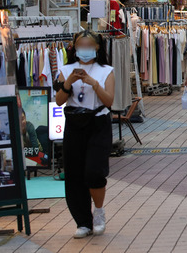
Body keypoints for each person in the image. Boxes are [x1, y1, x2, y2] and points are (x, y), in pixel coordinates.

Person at [55, 30, 115, 239]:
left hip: (98, 123)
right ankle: (83, 221)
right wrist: (68, 82)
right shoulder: (65, 70)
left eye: (89, 46)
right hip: (74, 124)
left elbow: (109, 101)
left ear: (97, 47)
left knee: (94, 171)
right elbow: (59, 100)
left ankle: (98, 212)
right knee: (74, 175)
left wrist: (93, 83)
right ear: (74, 47)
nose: (85, 50)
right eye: (81, 46)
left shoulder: (106, 70)